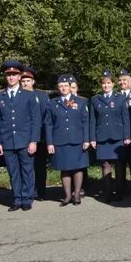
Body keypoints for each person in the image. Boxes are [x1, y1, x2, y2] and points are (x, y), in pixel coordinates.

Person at [0, 61, 41, 211]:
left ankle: (27, 198)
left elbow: (35, 120)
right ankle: (17, 199)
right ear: (6, 77)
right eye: (8, 75)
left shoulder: (29, 96)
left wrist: (34, 141)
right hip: (7, 142)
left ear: (19, 76)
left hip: (25, 141)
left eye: (14, 74)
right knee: (13, 172)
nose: (11, 77)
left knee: (27, 170)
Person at [44, 75, 90, 206]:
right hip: (60, 140)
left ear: (70, 87)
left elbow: (85, 121)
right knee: (64, 168)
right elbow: (49, 124)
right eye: (61, 86)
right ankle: (67, 195)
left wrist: (86, 139)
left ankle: (76, 195)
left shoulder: (81, 101)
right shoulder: (52, 103)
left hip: (77, 139)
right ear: (58, 88)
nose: (63, 88)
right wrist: (50, 142)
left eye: (66, 86)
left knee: (77, 168)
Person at [90, 70, 131, 202]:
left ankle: (118, 192)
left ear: (113, 84)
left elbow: (126, 119)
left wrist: (127, 136)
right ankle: (107, 192)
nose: (106, 86)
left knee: (119, 165)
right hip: (102, 137)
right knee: (105, 165)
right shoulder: (95, 100)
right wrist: (92, 138)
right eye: (104, 84)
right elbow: (92, 120)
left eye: (108, 83)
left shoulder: (120, 98)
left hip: (117, 136)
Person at [20, 66, 50, 200]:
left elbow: (46, 117)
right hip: (23, 138)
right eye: (23, 81)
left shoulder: (42, 96)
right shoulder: (18, 96)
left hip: (40, 137)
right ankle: (28, 192)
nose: (25, 83)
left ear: (33, 82)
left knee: (39, 166)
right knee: (26, 167)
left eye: (28, 80)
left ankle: (41, 192)